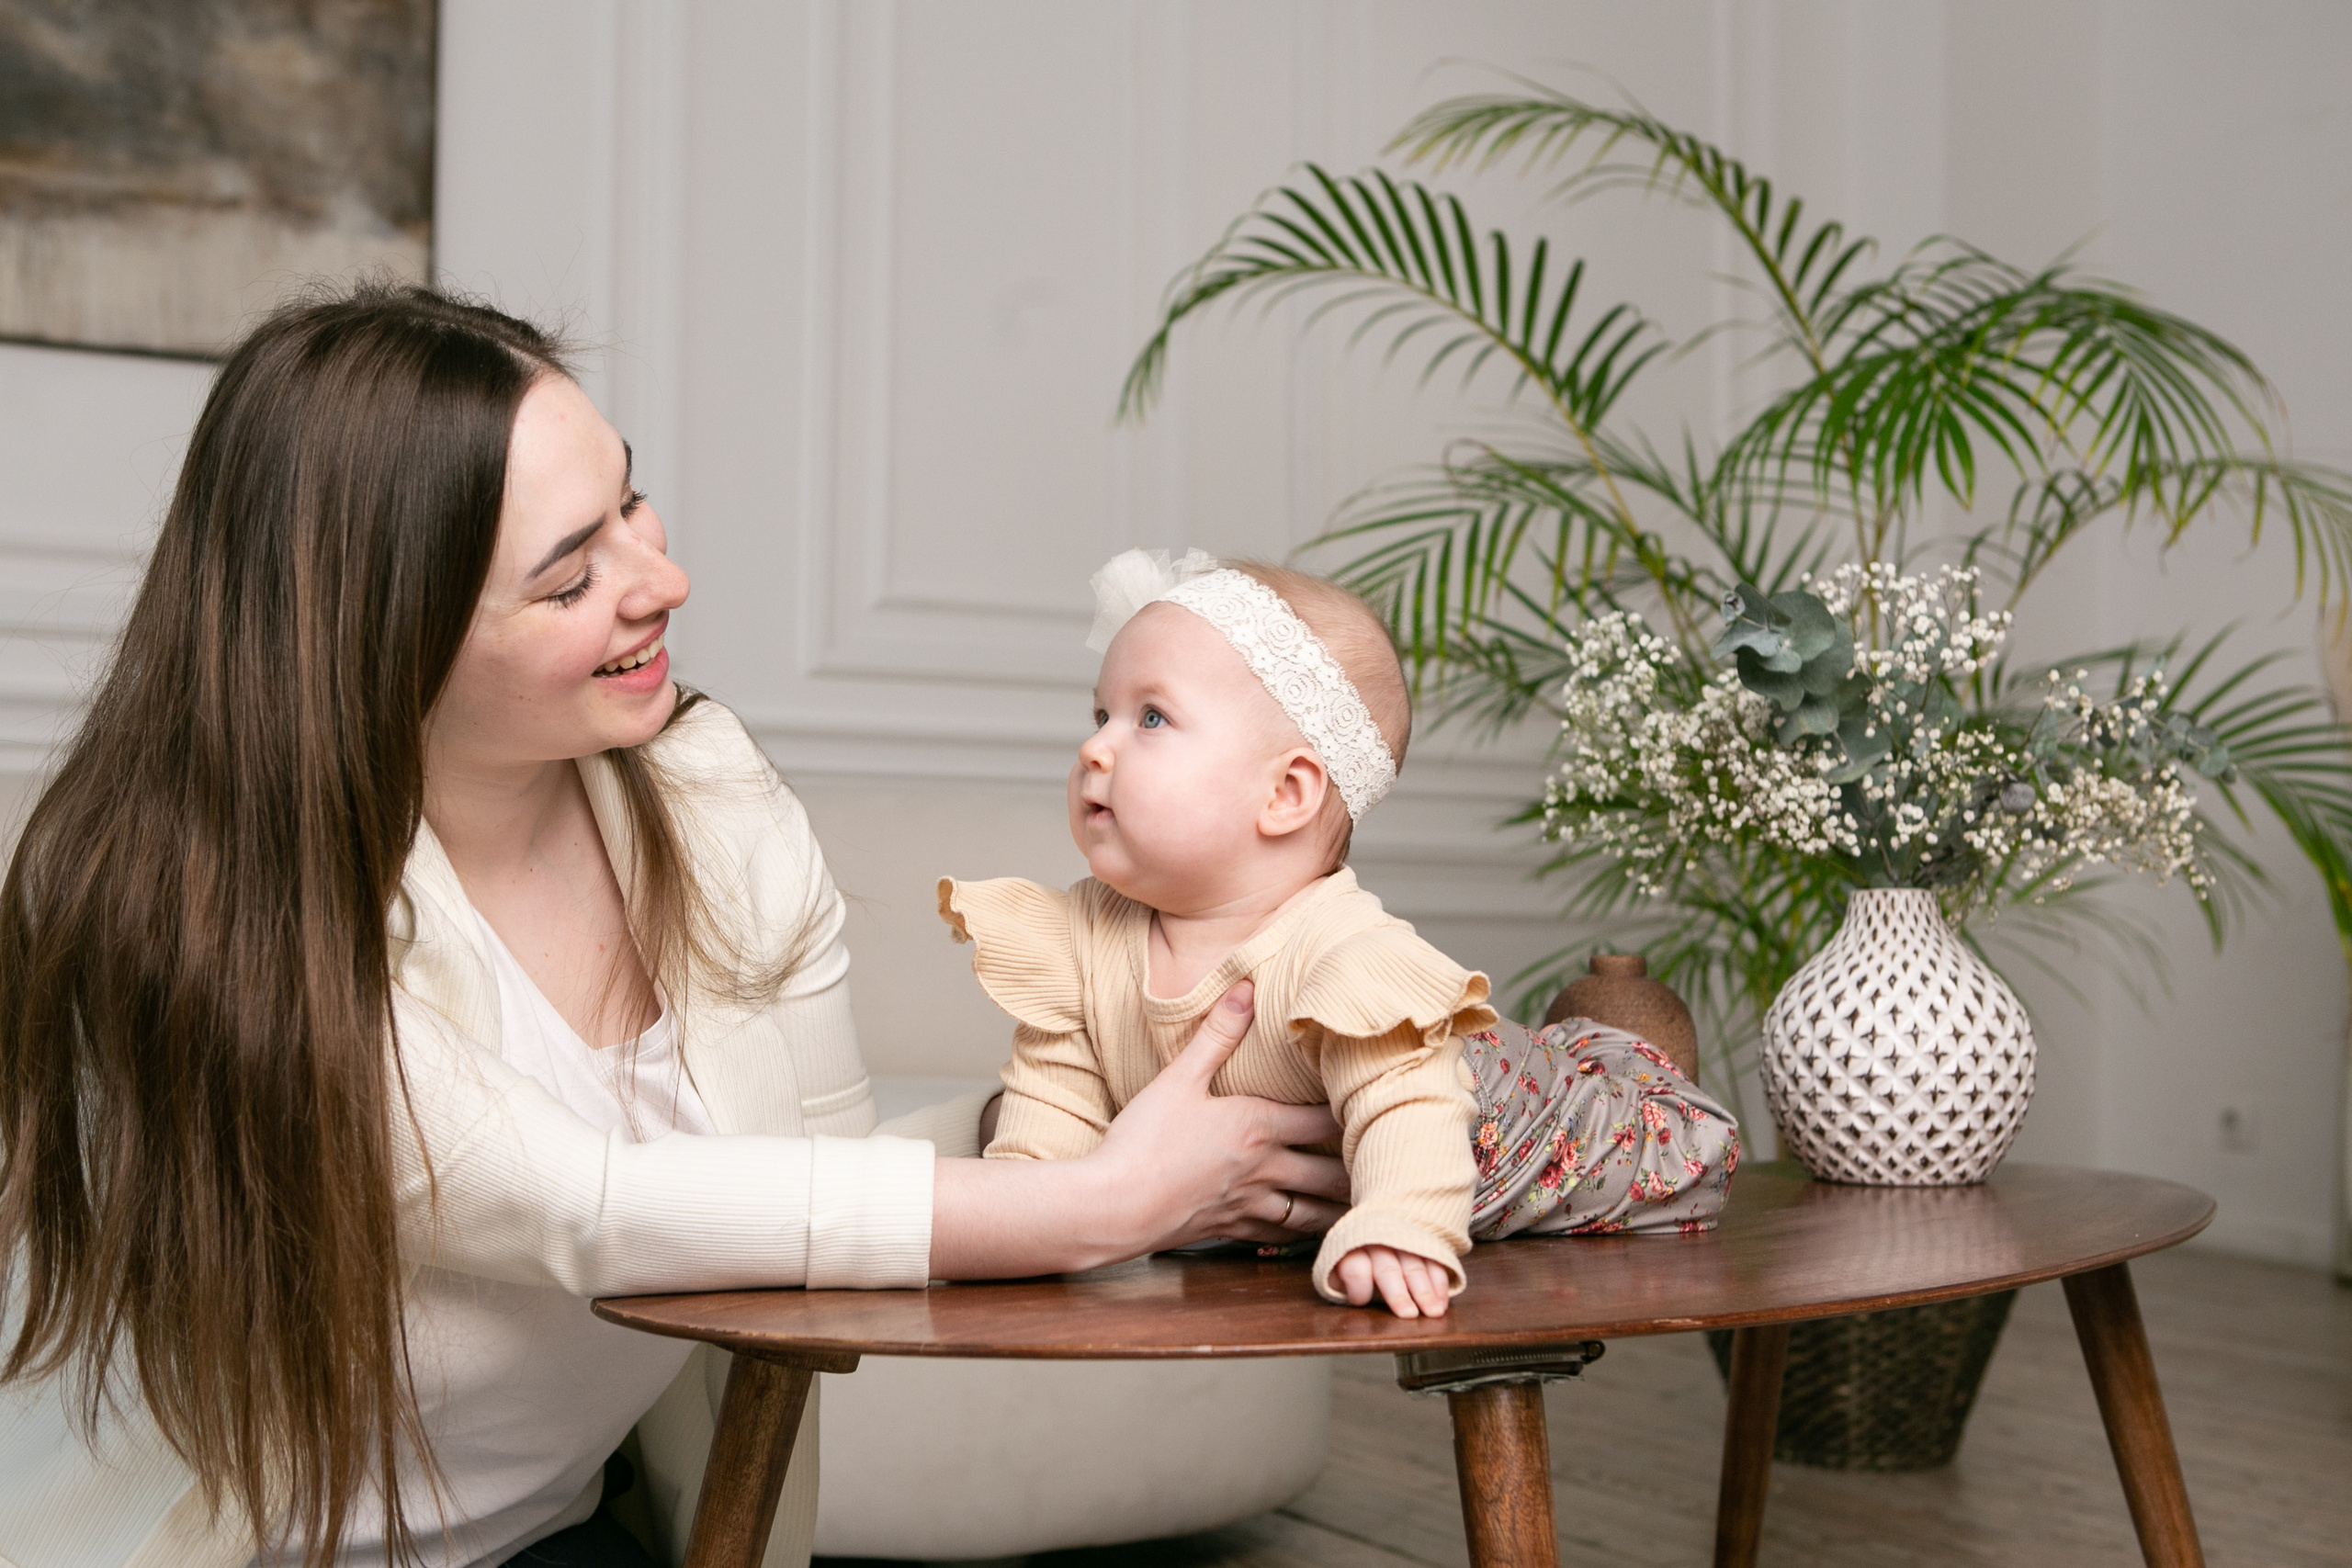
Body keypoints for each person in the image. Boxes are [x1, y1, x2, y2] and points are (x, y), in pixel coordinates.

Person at [0, 288, 1349, 1568]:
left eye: (630, 498)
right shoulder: (181, 912)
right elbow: (588, 1206)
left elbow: (805, 1186)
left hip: (550, 1533)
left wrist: (1113, 1106)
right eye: (570, 575)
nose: (665, 578)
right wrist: (1108, 1198)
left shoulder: (705, 794)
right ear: (379, 637)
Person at [937, 551, 1740, 1321]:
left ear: (1286, 793)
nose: (1094, 746)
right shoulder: (1076, 939)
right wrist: (1028, 1209)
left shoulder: (1342, 955)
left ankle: (1624, 1058)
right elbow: (1053, 1106)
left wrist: (1397, 1224)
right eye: (1100, 713)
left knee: (1669, 1152)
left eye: (1151, 717)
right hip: (1292, 1202)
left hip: (1504, 1124)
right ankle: (1594, 1038)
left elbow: (1411, 1112)